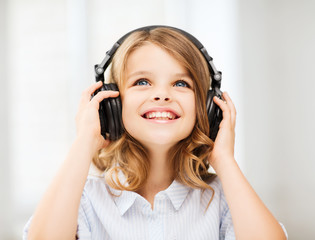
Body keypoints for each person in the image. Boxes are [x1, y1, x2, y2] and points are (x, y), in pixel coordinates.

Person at [23, 26, 287, 240]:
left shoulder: (222, 199)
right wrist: (85, 140)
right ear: (111, 104)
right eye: (142, 82)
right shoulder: (85, 199)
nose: (161, 94)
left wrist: (225, 161)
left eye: (181, 83)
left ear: (206, 108)